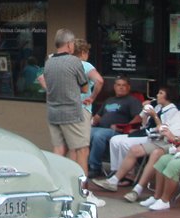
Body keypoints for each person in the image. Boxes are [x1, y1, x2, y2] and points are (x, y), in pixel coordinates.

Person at [110, 82, 180, 202]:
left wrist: (175, 138)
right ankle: (113, 180)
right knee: (135, 149)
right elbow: (163, 127)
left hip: (178, 146)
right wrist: (155, 120)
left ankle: (137, 190)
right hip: (163, 140)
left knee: (156, 153)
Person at [93, 83, 180, 190]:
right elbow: (145, 125)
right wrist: (145, 113)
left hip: (156, 138)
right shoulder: (157, 106)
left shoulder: (172, 110)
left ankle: (128, 175)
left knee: (125, 143)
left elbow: (163, 129)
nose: (157, 95)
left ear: (168, 96)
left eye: (161, 93)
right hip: (146, 132)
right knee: (115, 140)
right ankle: (116, 172)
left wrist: (154, 115)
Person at [40, 28, 93, 169]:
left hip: (53, 112)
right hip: (71, 113)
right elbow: (85, 88)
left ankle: (58, 181)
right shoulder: (74, 61)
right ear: (69, 44)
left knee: (59, 149)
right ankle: (82, 187)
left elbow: (46, 82)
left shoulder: (49, 62)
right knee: (81, 150)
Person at [87, 75, 143, 178]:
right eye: (118, 85)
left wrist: (125, 127)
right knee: (85, 133)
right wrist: (89, 124)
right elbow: (98, 117)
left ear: (128, 87)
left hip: (118, 131)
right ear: (114, 87)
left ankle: (95, 168)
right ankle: (84, 164)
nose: (121, 87)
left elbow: (139, 117)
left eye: (124, 85)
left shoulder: (132, 100)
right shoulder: (109, 100)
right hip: (101, 128)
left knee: (99, 135)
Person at [74, 40, 103, 117]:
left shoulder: (64, 64)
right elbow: (99, 81)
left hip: (63, 108)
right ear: (83, 52)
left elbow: (42, 78)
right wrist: (92, 98)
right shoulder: (86, 66)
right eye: (88, 53)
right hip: (81, 108)